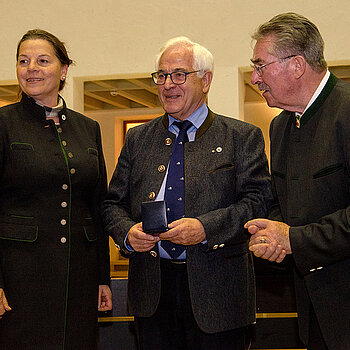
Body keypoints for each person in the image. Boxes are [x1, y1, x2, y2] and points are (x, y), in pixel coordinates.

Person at [103, 36, 272, 350]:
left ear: (205, 80)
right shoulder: (138, 138)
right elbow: (113, 204)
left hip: (219, 297)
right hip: (152, 294)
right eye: (162, 76)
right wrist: (127, 233)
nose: (168, 84)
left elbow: (258, 202)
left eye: (179, 74)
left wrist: (206, 228)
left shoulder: (241, 137)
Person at [0, 29, 112, 350]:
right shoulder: (4, 123)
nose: (31, 67)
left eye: (42, 60)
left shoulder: (87, 128)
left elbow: (97, 207)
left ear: (63, 71)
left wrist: (102, 277)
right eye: (24, 61)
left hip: (79, 277)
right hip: (20, 278)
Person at [245, 12, 350, 350]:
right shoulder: (281, 126)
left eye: (261, 66)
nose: (254, 77)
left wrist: (294, 240)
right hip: (314, 311)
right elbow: (286, 202)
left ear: (297, 65)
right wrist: (273, 233)